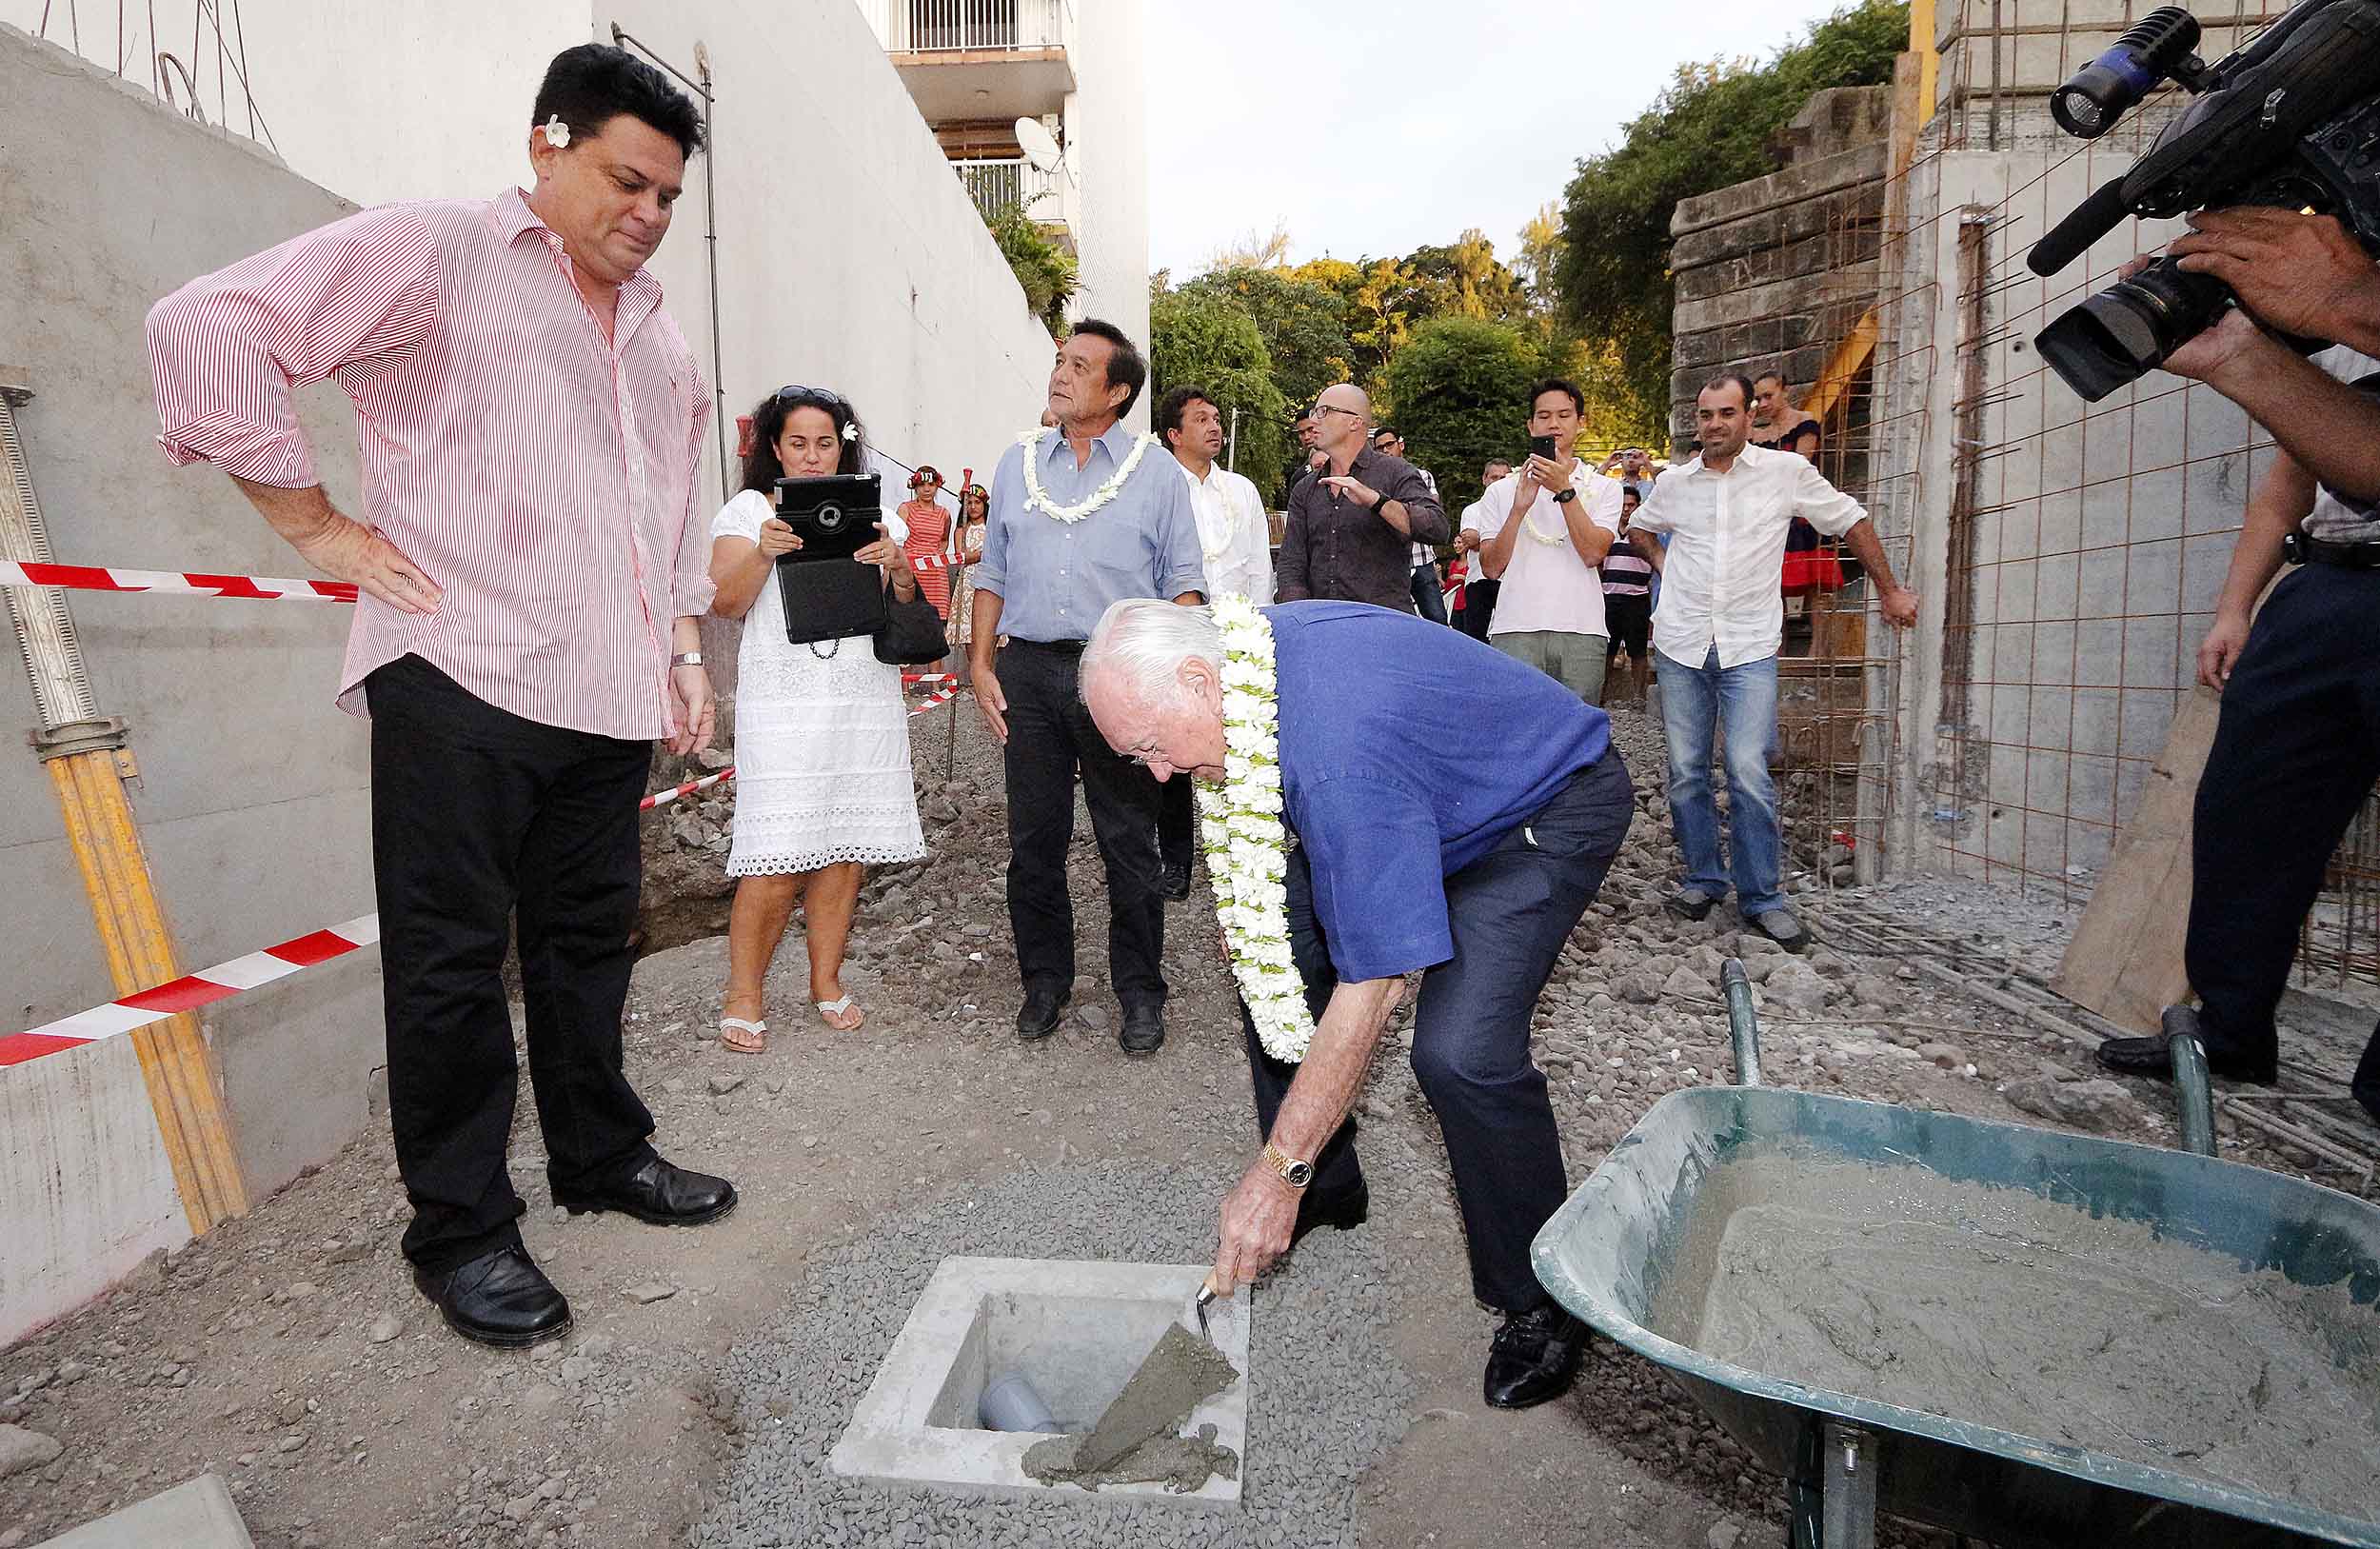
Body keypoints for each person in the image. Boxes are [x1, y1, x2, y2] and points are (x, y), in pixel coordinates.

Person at [146, 44, 736, 1349]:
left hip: (606, 695)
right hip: (458, 673)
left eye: (666, 200)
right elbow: (209, 321)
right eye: (625, 181)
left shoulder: (660, 340)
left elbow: (665, 511)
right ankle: (462, 1229)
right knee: (452, 965)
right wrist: (315, 526)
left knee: (590, 947)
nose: (644, 216)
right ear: (548, 142)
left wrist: (681, 658)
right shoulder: (434, 252)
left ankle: (598, 1154)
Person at [1079, 597, 1635, 1410]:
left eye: (1156, 747)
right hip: (1421, 791)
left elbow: (1374, 988)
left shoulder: (1337, 758)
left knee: (1460, 1054)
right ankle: (1330, 1182)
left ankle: (1542, 1295)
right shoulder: (1246, 661)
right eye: (1140, 758)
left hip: (1536, 810)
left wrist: (1273, 1174)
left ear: (1200, 681)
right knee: (1273, 943)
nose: (1159, 774)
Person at [2089, 209, 2380, 1125]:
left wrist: (2354, 303)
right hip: (2330, 585)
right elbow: (2299, 473)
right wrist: (2235, 605)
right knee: (2247, 811)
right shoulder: (2327, 335)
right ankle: (2229, 1029)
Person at [969, 320, 1206, 1055]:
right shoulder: (1017, 463)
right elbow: (993, 572)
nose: (1060, 374)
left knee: (1127, 841)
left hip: (1119, 677)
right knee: (1032, 839)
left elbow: (1186, 588)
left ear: (1118, 390)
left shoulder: (1157, 473)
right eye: (1058, 360)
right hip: (1030, 675)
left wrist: (1170, 687)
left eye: (1079, 365)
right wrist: (979, 665)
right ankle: (1045, 981)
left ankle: (1141, 991)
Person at [1627, 372, 1919, 951]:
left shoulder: (1786, 474)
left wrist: (1889, 589)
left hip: (1748, 647)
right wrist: (1668, 570)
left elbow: (1851, 520)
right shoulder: (1677, 483)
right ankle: (1703, 879)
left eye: (1727, 413)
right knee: (1686, 773)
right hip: (1682, 644)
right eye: (1706, 414)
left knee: (1749, 773)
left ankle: (1761, 897)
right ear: (1698, 420)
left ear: (1749, 416)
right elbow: (1638, 528)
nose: (1715, 424)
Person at [707, 387, 926, 1048]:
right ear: (774, 447)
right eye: (797, 443)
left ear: (844, 444)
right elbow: (725, 601)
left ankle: (825, 979)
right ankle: (744, 992)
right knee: (775, 855)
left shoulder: (878, 510)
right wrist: (765, 551)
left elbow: (906, 601)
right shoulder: (748, 511)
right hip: (783, 702)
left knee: (846, 850)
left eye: (824, 442)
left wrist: (897, 564)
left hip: (861, 696)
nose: (811, 456)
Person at [1155, 385, 1272, 904]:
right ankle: (1176, 860)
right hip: (1178, 633)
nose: (1215, 425)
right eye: (1201, 419)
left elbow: (1256, 565)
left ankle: (1249, 852)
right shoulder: (1158, 487)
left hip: (1236, 634)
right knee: (1177, 749)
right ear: (1174, 434)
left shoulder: (1242, 490)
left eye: (1217, 417)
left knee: (1242, 741)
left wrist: (1258, 628)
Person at [1469, 380, 1628, 704]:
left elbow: (1593, 553)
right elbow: (1491, 567)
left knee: (1579, 732)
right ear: (1530, 425)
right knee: (1518, 728)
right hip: (1515, 625)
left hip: (1582, 627)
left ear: (1581, 423)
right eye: (1543, 416)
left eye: (1564, 415)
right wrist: (1518, 509)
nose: (1553, 424)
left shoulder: (1605, 488)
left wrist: (1564, 490)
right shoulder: (1501, 490)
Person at [1276, 385, 1448, 610]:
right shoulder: (1305, 488)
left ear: (1355, 422)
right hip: (1323, 626)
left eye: (1324, 411)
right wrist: (1299, 617)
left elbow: (1438, 528)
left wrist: (1377, 501)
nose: (1313, 421)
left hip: (1382, 628)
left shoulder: (1395, 471)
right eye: (1313, 413)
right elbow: (1291, 563)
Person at [1373, 427, 1449, 625]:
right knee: (1398, 622)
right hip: (1390, 564)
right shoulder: (1373, 482)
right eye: (1379, 448)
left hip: (1421, 560)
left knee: (1437, 619)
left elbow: (1430, 515)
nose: (1385, 451)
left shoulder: (1422, 475)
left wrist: (1391, 508)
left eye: (1389, 444)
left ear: (1401, 444)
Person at [1602, 486, 1656, 705]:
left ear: (1638, 505)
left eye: (1630, 505)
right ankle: (1601, 693)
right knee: (1606, 649)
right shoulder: (1605, 530)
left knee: (1638, 650)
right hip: (1609, 596)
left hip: (1637, 597)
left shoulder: (1645, 531)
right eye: (1622, 505)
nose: (1626, 509)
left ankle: (1638, 695)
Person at [1453, 457, 1513, 642]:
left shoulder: (1518, 510)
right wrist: (1508, 542)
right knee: (1477, 640)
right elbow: (1470, 539)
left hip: (1510, 583)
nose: (1499, 482)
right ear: (1484, 479)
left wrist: (1487, 541)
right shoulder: (1473, 510)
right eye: (1494, 477)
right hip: (1478, 582)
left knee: (1508, 638)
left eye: (1504, 478)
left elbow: (1479, 540)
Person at [899, 466, 955, 622]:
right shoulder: (906, 508)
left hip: (936, 573)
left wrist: (937, 557)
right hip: (912, 569)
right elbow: (897, 539)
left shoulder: (944, 513)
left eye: (930, 485)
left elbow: (944, 540)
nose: (926, 489)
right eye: (922, 485)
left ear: (937, 485)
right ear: (915, 487)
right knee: (910, 617)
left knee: (936, 620)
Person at [1751, 371, 1821, 459]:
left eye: (1768, 396)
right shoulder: (1760, 435)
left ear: (1785, 391)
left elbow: (1800, 467)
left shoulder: (1804, 422)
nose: (1762, 404)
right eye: (1758, 400)